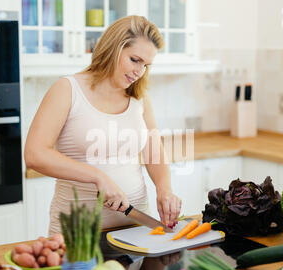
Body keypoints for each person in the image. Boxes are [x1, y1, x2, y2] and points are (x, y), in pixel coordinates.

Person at [24, 15, 182, 240]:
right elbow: (34, 155)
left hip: (136, 227)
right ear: (113, 48)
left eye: (146, 65)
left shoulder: (139, 97)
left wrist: (164, 188)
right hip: (77, 234)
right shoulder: (67, 89)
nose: (139, 72)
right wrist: (97, 176)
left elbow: (153, 149)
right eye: (134, 60)